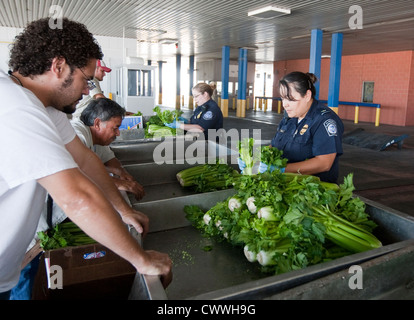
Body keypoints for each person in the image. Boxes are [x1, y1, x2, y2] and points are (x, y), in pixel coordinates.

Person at [0, 18, 171, 300]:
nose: (87, 90)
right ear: (59, 66)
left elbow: (87, 161)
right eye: (86, 78)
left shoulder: (45, 110)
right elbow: (76, 196)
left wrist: (123, 211)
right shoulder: (17, 107)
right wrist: (140, 258)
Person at [238, 71, 344, 183]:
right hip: (285, 185)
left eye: (290, 99)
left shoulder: (323, 120)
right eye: (283, 98)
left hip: (313, 190)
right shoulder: (291, 116)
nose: (285, 104)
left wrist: (282, 170)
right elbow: (274, 146)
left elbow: (324, 163)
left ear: (307, 96)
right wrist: (255, 159)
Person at [73, 98, 146, 201]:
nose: (118, 133)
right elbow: (76, 173)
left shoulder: (97, 138)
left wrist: (122, 173)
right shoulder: (78, 135)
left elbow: (109, 159)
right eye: (115, 128)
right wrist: (119, 183)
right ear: (97, 123)